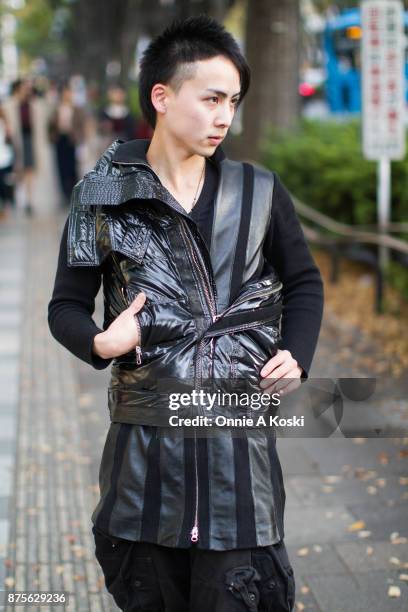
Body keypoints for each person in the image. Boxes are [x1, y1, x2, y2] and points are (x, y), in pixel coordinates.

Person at [48, 16, 324, 612]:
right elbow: (65, 306)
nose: (225, 116)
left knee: (241, 593)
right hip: (144, 454)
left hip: (238, 452)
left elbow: (303, 281)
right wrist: (100, 343)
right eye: (212, 99)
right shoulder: (100, 198)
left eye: (234, 102)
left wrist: (296, 354)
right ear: (163, 97)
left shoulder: (258, 191)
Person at [48, 84, 86, 206]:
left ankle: (74, 193)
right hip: (60, 140)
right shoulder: (56, 108)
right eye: (65, 92)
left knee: (73, 167)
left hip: (72, 141)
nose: (67, 95)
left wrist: (80, 138)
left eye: (69, 92)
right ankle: (64, 194)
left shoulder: (77, 109)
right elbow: (49, 125)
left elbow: (82, 125)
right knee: (61, 167)